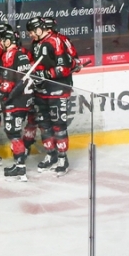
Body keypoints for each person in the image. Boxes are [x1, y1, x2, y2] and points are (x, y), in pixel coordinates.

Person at [27, 17, 76, 176]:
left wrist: (45, 73)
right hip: (41, 91)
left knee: (58, 125)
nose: (31, 34)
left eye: (33, 31)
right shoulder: (36, 43)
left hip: (58, 90)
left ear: (41, 28)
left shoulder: (56, 41)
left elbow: (64, 68)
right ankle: (51, 154)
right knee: (44, 124)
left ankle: (63, 158)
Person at [0, 26, 34, 182]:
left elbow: (8, 80)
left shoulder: (10, 55)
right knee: (16, 132)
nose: (1, 43)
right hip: (26, 99)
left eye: (3, 40)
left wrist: (1, 97)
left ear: (8, 40)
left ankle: (20, 167)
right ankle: (20, 164)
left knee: (13, 133)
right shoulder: (22, 54)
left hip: (16, 101)